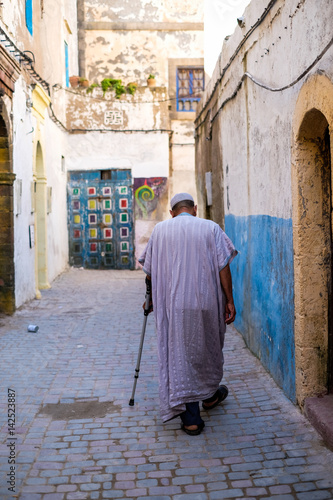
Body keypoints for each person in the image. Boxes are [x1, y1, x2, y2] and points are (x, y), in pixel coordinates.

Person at [139, 192, 237, 435]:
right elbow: (223, 265)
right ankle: (210, 395)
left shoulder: (160, 231)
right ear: (194, 209)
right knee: (207, 348)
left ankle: (192, 418)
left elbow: (149, 271)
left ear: (171, 212)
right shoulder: (211, 228)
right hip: (206, 302)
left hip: (174, 306)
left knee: (182, 355)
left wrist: (149, 300)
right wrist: (230, 301)